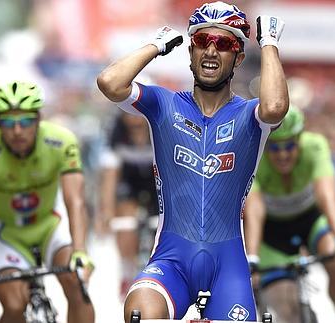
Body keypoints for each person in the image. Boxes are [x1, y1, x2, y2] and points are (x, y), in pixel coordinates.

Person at [97, 2, 288, 321]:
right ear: (190, 51)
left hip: (227, 269)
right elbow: (110, 83)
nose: (211, 51)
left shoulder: (250, 115)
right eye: (202, 41)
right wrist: (155, 44)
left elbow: (275, 107)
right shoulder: (164, 105)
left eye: (224, 43)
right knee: (139, 312)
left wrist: (268, 42)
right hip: (171, 262)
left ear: (238, 57)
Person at [0, 81, 95, 323]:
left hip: (50, 225)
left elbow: (74, 200)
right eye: (8, 123)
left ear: (38, 119)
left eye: (24, 122)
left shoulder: (61, 141)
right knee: (15, 304)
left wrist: (80, 251)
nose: (17, 131)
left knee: (77, 284)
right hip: (8, 233)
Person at [243, 106, 335, 323]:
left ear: (300, 139)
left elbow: (326, 196)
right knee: (289, 310)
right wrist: (253, 257)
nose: (283, 154)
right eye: (275, 148)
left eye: (289, 146)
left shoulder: (314, 146)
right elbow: (254, 210)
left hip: (309, 221)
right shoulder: (255, 155)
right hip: (272, 233)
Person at [97, 111, 158, 299]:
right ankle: (126, 270)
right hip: (129, 180)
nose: (135, 120)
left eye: (139, 115)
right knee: (125, 219)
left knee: (162, 221)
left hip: (155, 179)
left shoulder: (158, 130)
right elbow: (110, 179)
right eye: (128, 115)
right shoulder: (116, 135)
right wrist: (106, 213)